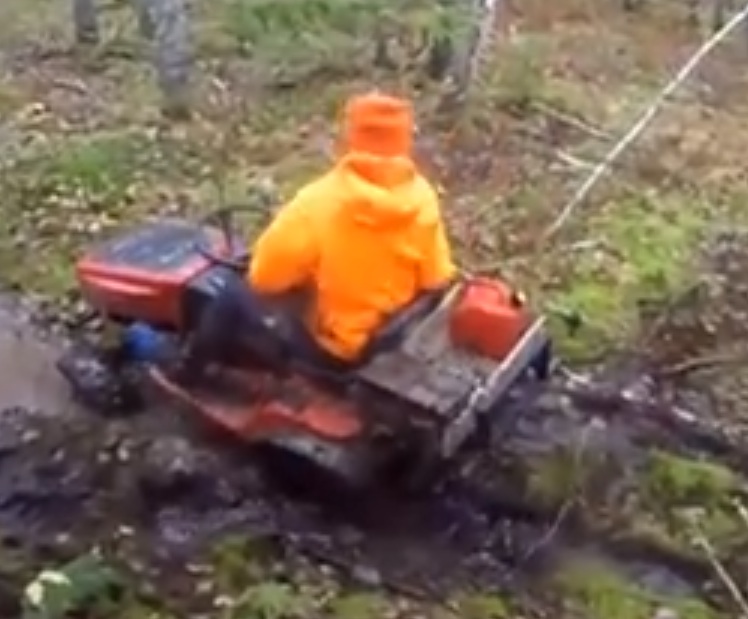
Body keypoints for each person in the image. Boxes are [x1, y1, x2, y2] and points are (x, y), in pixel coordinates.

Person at [180, 91, 457, 379]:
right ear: (403, 142)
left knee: (232, 292)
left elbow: (264, 278)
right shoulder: (422, 196)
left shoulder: (319, 202)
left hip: (336, 350)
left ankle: (190, 373)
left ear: (352, 138)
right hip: (388, 338)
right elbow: (436, 277)